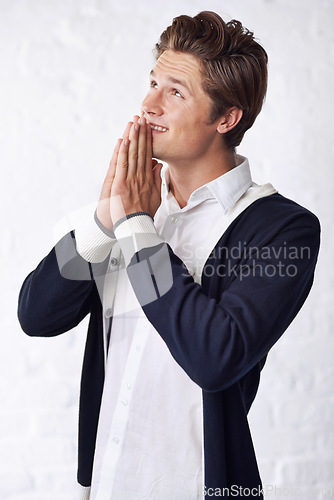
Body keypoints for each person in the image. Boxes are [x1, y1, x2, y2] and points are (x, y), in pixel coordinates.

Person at [18, 10, 320, 500]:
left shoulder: (282, 229)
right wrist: (104, 220)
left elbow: (214, 357)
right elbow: (36, 314)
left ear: (227, 118)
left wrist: (138, 229)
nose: (148, 103)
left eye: (174, 92)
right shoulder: (131, 206)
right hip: (104, 486)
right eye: (152, 82)